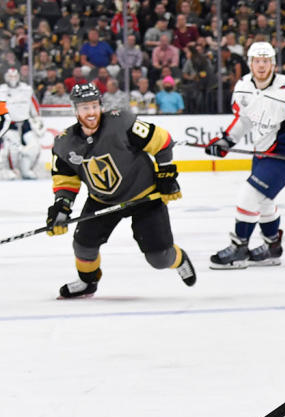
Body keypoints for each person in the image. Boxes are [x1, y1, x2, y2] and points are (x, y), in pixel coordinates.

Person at [45, 84, 196, 299]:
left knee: (159, 259)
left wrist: (166, 176)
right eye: (85, 108)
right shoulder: (64, 143)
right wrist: (61, 207)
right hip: (102, 200)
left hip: (144, 196)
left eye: (94, 106)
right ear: (75, 110)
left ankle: (179, 259)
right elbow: (66, 180)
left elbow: (162, 141)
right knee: (83, 246)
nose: (91, 113)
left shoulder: (121, 122)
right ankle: (88, 282)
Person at [204, 42, 285, 269]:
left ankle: (239, 249)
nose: (261, 66)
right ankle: (272, 248)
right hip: (262, 151)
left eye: (266, 61)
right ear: (250, 63)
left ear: (273, 64)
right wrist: (226, 141)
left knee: (249, 196)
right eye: (257, 61)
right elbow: (243, 119)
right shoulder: (242, 87)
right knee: (264, 201)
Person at [0, 68, 44, 180]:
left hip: (25, 123)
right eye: (10, 77)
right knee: (11, 149)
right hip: (9, 124)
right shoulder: (1, 90)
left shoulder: (26, 89)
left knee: (33, 147)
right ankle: (11, 170)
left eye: (15, 76)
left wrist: (37, 119)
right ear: (6, 78)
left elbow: (34, 106)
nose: (13, 79)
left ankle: (26, 169)